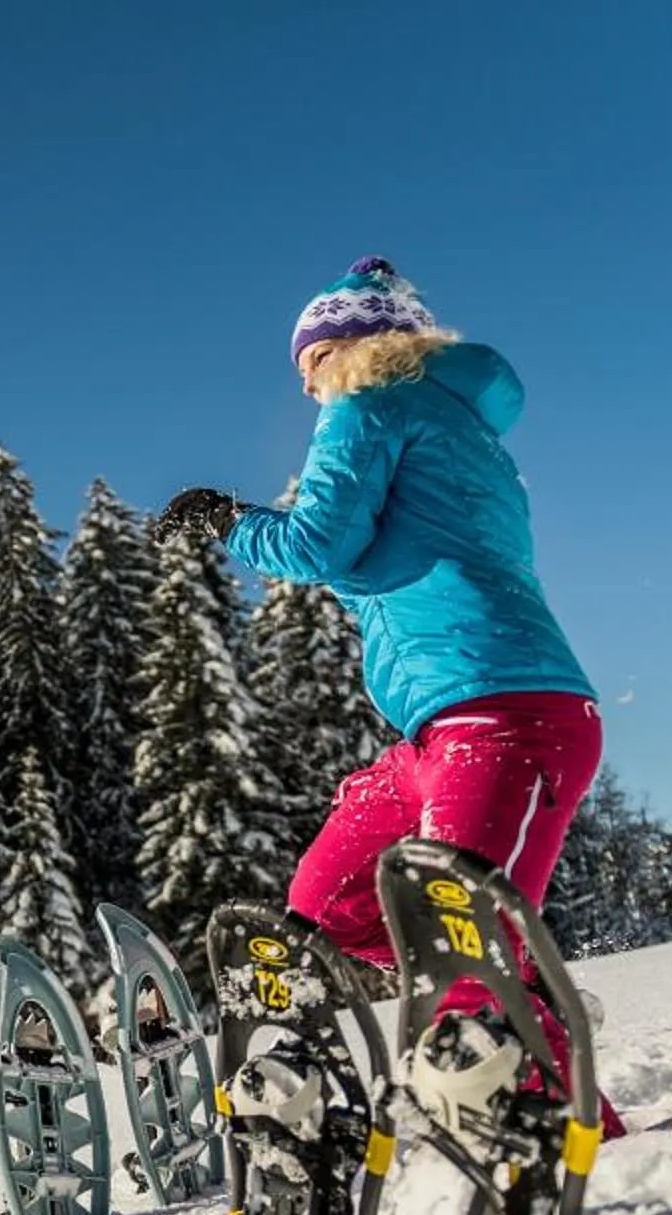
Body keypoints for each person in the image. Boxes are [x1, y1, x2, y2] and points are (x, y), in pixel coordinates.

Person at [153, 258, 610, 1101]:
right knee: (326, 907)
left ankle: (550, 1149)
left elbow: (318, 546)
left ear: (357, 349)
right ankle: (519, 1004)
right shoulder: (463, 429)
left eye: (311, 363)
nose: (306, 387)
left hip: (501, 709)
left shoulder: (369, 405)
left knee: (461, 944)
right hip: (443, 725)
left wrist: (227, 519)